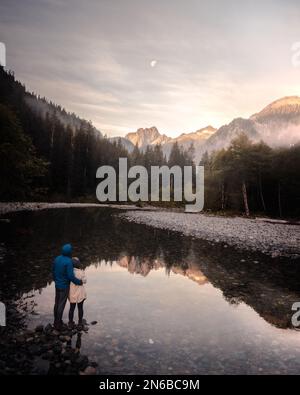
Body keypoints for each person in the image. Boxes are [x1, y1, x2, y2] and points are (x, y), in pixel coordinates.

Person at [53, 244, 82, 330]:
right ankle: (58, 324)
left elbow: (53, 271)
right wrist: (79, 282)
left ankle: (56, 321)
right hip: (64, 286)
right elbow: (70, 276)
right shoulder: (68, 261)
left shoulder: (57, 258)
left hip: (57, 285)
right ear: (69, 252)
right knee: (61, 305)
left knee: (57, 303)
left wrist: (55, 280)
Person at [68, 257, 87, 329]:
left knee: (71, 309)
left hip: (72, 293)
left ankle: (70, 322)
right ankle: (79, 322)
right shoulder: (81, 272)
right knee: (80, 308)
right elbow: (85, 281)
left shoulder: (69, 272)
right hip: (80, 293)